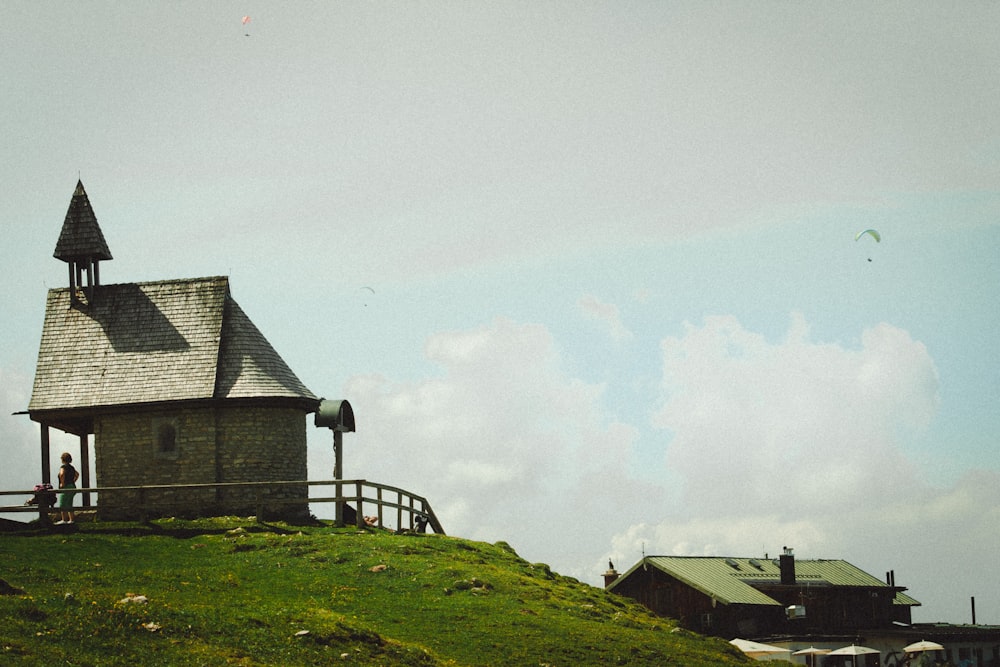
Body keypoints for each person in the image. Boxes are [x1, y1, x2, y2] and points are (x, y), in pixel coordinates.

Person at [56, 452, 79, 524]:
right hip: (72, 486)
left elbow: (62, 474)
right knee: (69, 503)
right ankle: (71, 520)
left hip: (66, 487)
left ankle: (64, 520)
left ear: (63, 459)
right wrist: (73, 481)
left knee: (62, 503)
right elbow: (77, 474)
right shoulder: (72, 468)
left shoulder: (63, 467)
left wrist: (62, 483)